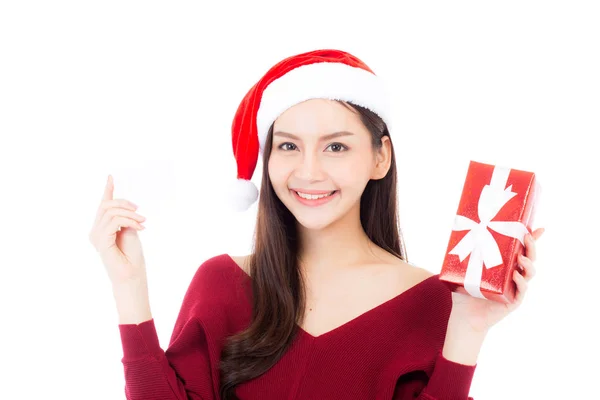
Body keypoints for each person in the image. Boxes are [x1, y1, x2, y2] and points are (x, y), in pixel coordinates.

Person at [89, 49, 544, 400]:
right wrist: (129, 291)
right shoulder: (220, 283)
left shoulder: (431, 302)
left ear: (380, 157)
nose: (308, 172)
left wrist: (469, 329)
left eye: (336, 147)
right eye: (288, 147)